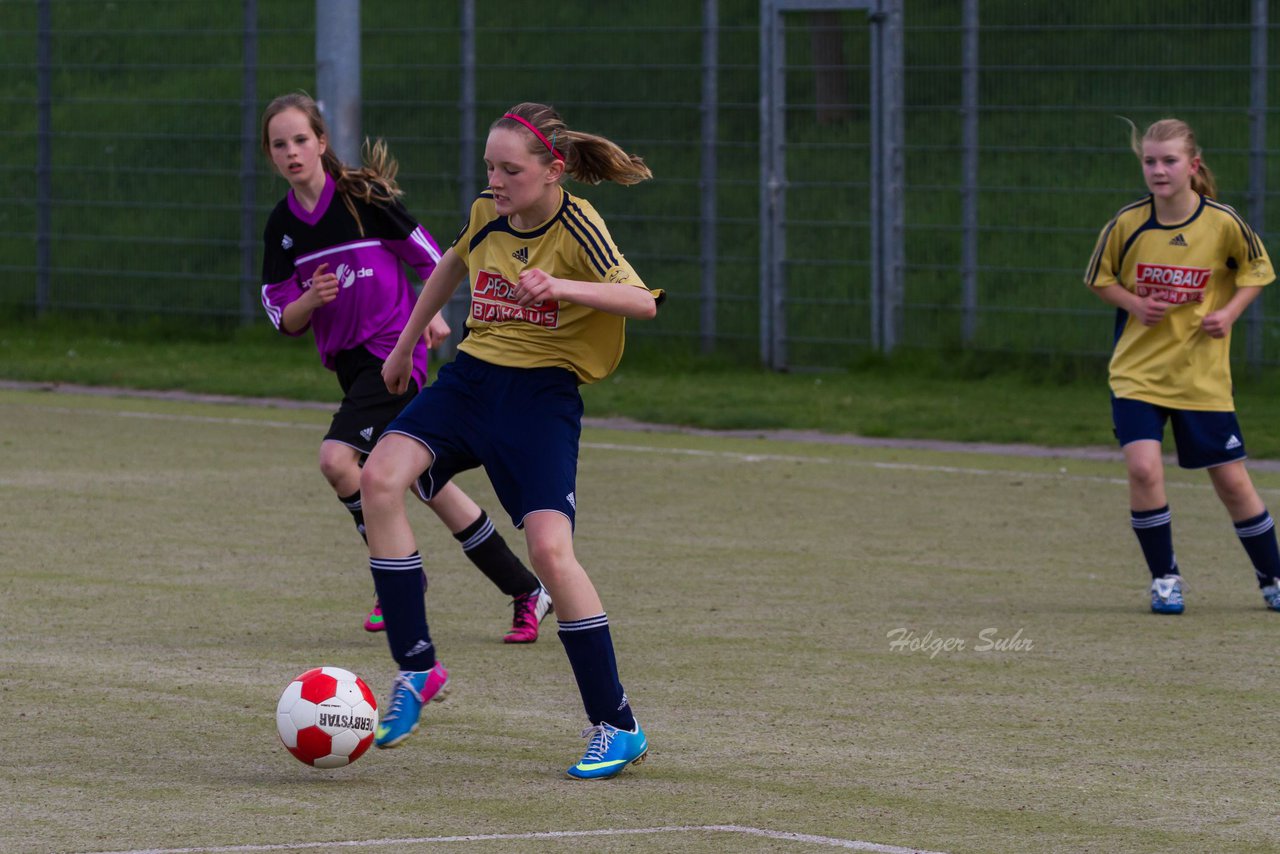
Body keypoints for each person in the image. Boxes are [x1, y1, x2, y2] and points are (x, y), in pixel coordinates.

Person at [359, 102, 662, 778]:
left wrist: (559, 284)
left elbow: (642, 301)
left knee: (552, 555)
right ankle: (416, 670)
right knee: (378, 478)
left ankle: (616, 724)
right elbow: (449, 267)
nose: (496, 180)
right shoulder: (485, 213)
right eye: (490, 167)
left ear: (553, 171)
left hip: (538, 399)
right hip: (469, 383)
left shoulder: (579, 223)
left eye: (511, 170)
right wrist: (407, 344)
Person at [258, 92, 553, 643]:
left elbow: (434, 258)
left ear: (322, 142)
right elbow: (281, 311)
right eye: (280, 144)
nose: (293, 152)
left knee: (337, 459)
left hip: (393, 358)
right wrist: (311, 300)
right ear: (270, 155)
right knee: (429, 486)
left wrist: (429, 317)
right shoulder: (283, 228)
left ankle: (398, 575)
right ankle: (525, 589)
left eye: (302, 139)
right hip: (351, 368)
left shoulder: (361, 199)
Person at [1085, 117, 1280, 614]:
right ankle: (1165, 579)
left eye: (1169, 160)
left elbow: (1258, 271)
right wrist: (1133, 303)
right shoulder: (1126, 224)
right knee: (1144, 469)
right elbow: (1100, 279)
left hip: (1201, 378)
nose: (1158, 169)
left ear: (1192, 166)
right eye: (1149, 161)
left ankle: (1272, 577)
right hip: (1137, 374)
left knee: (1233, 483)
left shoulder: (1222, 222)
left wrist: (1229, 313)